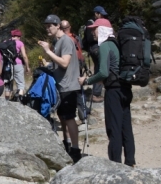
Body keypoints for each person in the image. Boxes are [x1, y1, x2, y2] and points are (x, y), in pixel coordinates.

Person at [79, 18, 135, 166]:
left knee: (113, 128)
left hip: (113, 91)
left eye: (95, 30)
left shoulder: (105, 46)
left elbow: (103, 72)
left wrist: (87, 81)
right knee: (126, 127)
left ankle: (115, 163)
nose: (93, 33)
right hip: (125, 89)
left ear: (103, 30)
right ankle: (130, 161)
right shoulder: (117, 44)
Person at [38, 14, 82, 163]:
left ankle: (76, 150)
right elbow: (58, 65)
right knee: (62, 116)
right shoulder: (57, 42)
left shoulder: (66, 41)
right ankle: (67, 144)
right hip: (60, 85)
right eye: (46, 26)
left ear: (58, 26)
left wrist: (48, 51)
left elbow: (64, 62)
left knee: (69, 118)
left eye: (50, 26)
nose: (47, 29)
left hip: (69, 86)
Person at [82, 19, 104, 102]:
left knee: (97, 68)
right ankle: (95, 94)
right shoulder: (93, 24)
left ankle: (95, 92)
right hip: (96, 48)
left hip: (92, 49)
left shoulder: (89, 23)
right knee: (100, 69)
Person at [10, 29, 30, 99]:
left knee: (8, 83)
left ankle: (6, 100)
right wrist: (27, 67)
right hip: (18, 64)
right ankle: (20, 100)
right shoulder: (20, 43)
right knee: (20, 84)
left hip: (8, 65)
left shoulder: (5, 42)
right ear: (18, 37)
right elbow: (24, 56)